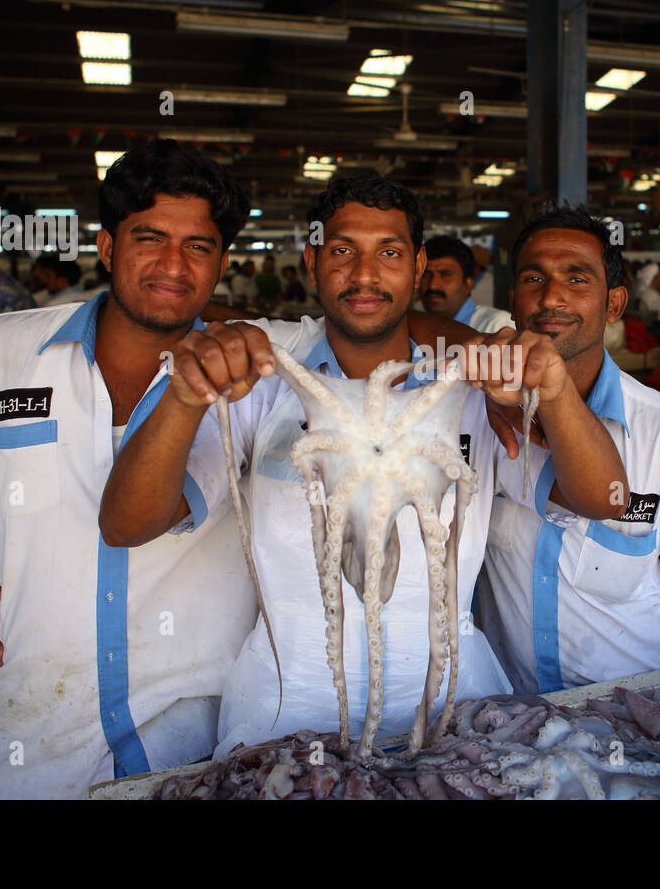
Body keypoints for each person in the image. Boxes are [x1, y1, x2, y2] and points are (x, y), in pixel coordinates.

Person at [98, 176, 629, 753]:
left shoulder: (475, 381)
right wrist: (183, 393)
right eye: (343, 251)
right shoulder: (264, 375)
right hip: (284, 714)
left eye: (391, 253)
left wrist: (552, 391)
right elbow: (127, 524)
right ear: (312, 259)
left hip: (458, 705)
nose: (366, 274)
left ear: (420, 265)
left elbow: (606, 501)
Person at [0, 140, 274, 799]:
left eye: (198, 247)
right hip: (32, 741)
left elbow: (383, 330)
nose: (174, 265)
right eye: (149, 238)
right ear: (108, 247)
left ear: (221, 263)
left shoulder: (257, 376)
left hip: (199, 749)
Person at [476, 206, 660, 694]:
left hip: (630, 706)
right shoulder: (478, 412)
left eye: (577, 279)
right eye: (534, 278)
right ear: (512, 301)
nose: (552, 296)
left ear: (614, 304)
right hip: (505, 711)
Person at [420, 235, 513, 333]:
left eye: (446, 275)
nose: (433, 285)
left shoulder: (497, 326)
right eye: (426, 275)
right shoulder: (414, 328)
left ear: (468, 285)